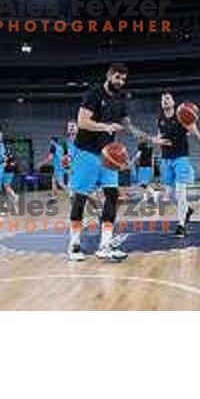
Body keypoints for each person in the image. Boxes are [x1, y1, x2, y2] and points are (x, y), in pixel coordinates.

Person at [68, 63, 167, 261]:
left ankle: (105, 245)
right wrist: (105, 127)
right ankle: (74, 245)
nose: (120, 82)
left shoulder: (120, 100)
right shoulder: (94, 95)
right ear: (109, 75)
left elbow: (129, 127)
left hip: (107, 155)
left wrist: (150, 139)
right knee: (80, 197)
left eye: (123, 79)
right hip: (86, 152)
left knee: (112, 195)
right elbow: (82, 122)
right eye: (118, 78)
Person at [157, 91, 200, 238]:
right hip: (166, 159)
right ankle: (187, 210)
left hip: (181, 158)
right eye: (163, 99)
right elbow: (159, 137)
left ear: (173, 102)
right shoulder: (161, 118)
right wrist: (157, 141)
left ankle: (181, 226)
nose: (165, 101)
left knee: (180, 192)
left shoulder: (182, 116)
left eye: (168, 98)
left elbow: (198, 136)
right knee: (169, 195)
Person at [133, 135, 157, 203]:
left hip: (143, 166)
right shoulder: (150, 148)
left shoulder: (141, 146)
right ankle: (146, 197)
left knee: (143, 183)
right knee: (144, 183)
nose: (139, 140)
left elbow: (138, 155)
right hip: (148, 166)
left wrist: (132, 162)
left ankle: (153, 193)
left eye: (140, 139)